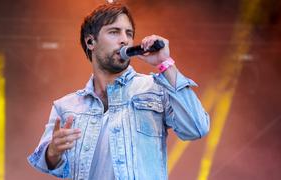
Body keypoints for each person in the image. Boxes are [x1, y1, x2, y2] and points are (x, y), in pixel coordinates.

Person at [28, 2, 210, 180]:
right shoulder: (66, 106)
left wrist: (165, 63)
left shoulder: (156, 89)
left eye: (129, 33)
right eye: (114, 32)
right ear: (91, 41)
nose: (125, 39)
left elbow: (197, 128)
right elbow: (45, 162)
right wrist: (53, 151)